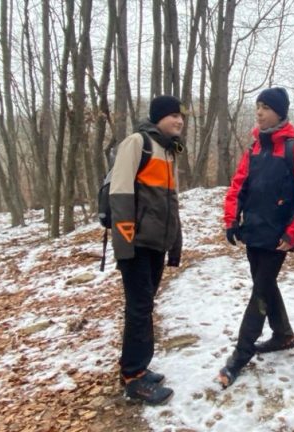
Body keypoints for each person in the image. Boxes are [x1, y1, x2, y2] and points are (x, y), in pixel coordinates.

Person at [219, 87, 294, 388]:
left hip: (277, 238)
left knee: (259, 291)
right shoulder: (254, 149)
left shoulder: (293, 151)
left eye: (265, 108)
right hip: (253, 233)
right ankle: (284, 335)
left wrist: (293, 231)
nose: (259, 112)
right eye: (257, 107)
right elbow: (238, 186)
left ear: (280, 112)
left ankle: (241, 353)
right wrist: (231, 219)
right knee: (266, 285)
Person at [109, 95, 184, 405]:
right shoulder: (137, 143)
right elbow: (120, 193)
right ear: (158, 118)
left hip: (155, 244)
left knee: (144, 306)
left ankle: (136, 367)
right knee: (139, 307)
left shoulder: (168, 153)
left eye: (181, 116)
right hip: (136, 244)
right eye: (173, 116)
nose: (179, 121)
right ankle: (133, 375)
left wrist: (175, 244)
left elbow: (172, 203)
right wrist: (125, 244)